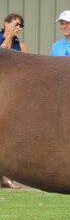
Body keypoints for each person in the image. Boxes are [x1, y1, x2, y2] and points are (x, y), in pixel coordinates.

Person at [0, 13, 27, 190]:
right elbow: (3, 55)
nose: (18, 28)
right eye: (15, 24)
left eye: (20, 26)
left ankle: (6, 178)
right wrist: (8, 35)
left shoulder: (21, 45)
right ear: (6, 24)